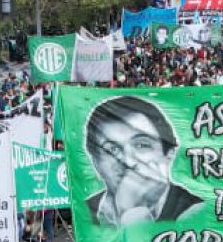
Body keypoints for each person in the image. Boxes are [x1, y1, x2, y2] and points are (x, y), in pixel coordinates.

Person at [79, 94, 203, 231]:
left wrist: (131, 211)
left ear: (169, 154)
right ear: (95, 161)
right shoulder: (85, 211)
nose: (128, 161)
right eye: (112, 150)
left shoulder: (197, 212)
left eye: (142, 145)